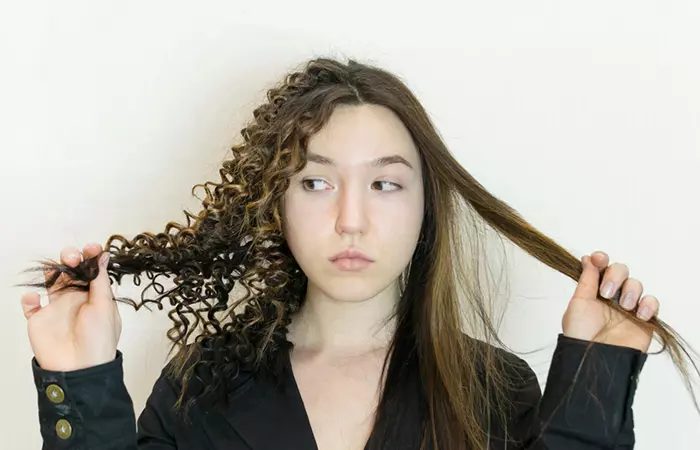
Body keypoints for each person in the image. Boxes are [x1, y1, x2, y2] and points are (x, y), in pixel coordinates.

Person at [19, 57, 693, 450]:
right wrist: (82, 382)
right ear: (274, 204)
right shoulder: (198, 390)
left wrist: (594, 377)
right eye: (315, 181)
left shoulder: (495, 388)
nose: (351, 219)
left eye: (385, 182)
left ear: (427, 207)